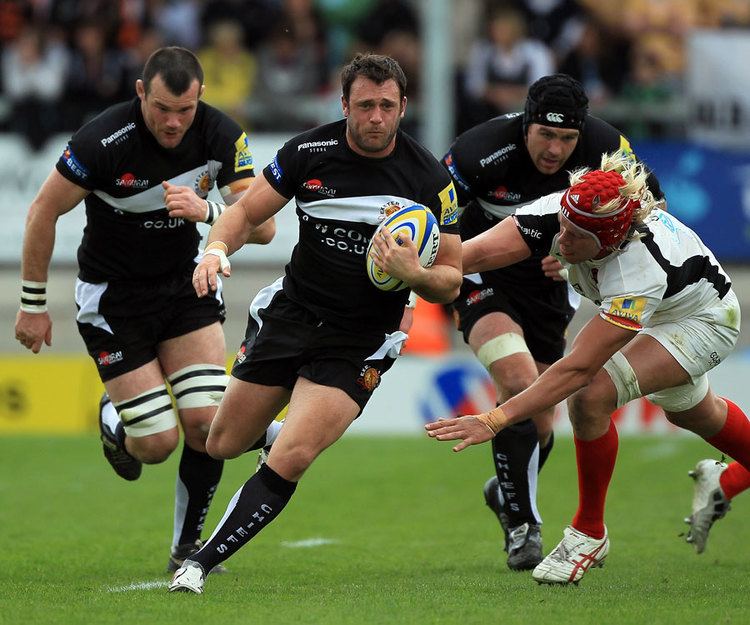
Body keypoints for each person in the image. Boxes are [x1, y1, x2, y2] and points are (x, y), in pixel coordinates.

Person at [167, 52, 462, 594]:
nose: (376, 117)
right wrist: (212, 250)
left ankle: (198, 564)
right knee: (222, 443)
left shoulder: (429, 178)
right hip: (293, 315)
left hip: (361, 339)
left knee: (295, 456)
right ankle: (269, 429)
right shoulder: (308, 152)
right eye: (366, 105)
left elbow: (451, 278)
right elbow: (246, 214)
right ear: (344, 103)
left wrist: (414, 274)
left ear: (403, 108)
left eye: (387, 106)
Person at [14, 46, 280, 573]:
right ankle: (116, 421)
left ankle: (187, 548)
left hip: (185, 289)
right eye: (162, 109)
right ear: (141, 93)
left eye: (185, 110)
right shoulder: (101, 141)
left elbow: (265, 225)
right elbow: (43, 210)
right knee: (156, 444)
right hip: (114, 299)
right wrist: (32, 304)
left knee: (209, 427)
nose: (174, 122)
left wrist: (208, 211)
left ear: (200, 97)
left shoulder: (223, 134)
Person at [426, 151, 748, 586]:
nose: (562, 240)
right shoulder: (561, 212)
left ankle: (588, 533)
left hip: (705, 320)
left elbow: (576, 370)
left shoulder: (639, 270)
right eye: (563, 225)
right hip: (666, 308)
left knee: (591, 393)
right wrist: (407, 275)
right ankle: (725, 482)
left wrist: (494, 418)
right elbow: (466, 258)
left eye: (576, 237)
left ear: (611, 242)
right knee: (694, 413)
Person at [442, 72, 662, 570]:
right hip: (482, 275)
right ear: (525, 124)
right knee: (518, 380)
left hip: (551, 286)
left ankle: (508, 492)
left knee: (540, 415)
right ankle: (524, 529)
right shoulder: (477, 151)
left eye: (567, 138)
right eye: (546, 134)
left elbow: (652, 213)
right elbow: (433, 216)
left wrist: (575, 261)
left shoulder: (609, 150)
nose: (555, 150)